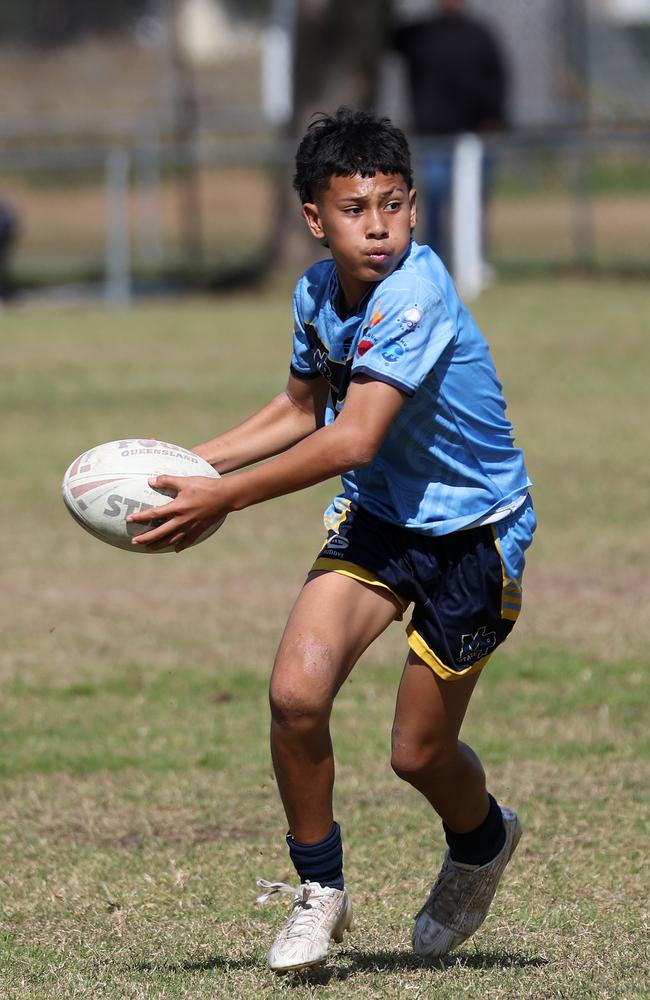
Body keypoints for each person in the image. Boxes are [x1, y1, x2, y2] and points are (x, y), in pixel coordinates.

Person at [127, 107, 535, 974]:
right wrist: (174, 468)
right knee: (295, 699)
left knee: (416, 754)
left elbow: (352, 439)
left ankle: (483, 841)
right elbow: (299, 410)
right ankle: (319, 893)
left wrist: (225, 498)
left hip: (475, 537)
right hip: (381, 524)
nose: (378, 226)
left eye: (392, 204)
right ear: (315, 217)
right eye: (355, 209)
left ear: (416, 208)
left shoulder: (416, 293)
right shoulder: (317, 293)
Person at [393, 0, 508, 265]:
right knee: (432, 203)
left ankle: (472, 260)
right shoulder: (419, 34)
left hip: (472, 137)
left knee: (472, 206)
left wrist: (494, 118)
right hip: (432, 135)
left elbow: (497, 78)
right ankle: (431, 261)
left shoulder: (478, 34)